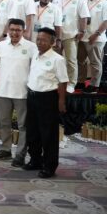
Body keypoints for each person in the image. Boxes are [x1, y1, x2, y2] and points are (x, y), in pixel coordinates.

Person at [0, 19, 37, 166]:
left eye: (18, 30)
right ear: (8, 30)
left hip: (22, 93)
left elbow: (35, 69)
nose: (14, 33)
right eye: (12, 29)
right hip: (3, 91)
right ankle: (5, 149)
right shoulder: (1, 45)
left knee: (23, 126)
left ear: (23, 31)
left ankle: (20, 155)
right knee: (4, 123)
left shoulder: (31, 47)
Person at [25, 28, 68, 178]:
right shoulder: (35, 55)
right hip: (32, 97)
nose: (40, 42)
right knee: (32, 132)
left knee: (48, 134)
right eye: (38, 39)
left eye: (44, 40)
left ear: (52, 42)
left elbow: (63, 81)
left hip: (48, 99)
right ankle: (35, 160)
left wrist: (61, 101)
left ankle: (50, 166)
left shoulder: (57, 59)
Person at [52, 0, 89, 92]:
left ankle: (71, 84)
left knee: (71, 61)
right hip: (56, 34)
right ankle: (55, 81)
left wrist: (82, 31)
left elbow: (84, 17)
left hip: (71, 35)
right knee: (55, 59)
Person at [78, 0, 107, 92]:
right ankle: (81, 82)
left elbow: (106, 21)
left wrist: (96, 34)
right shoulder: (83, 1)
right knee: (80, 61)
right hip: (82, 37)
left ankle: (95, 85)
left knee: (95, 63)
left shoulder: (104, 3)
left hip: (96, 38)